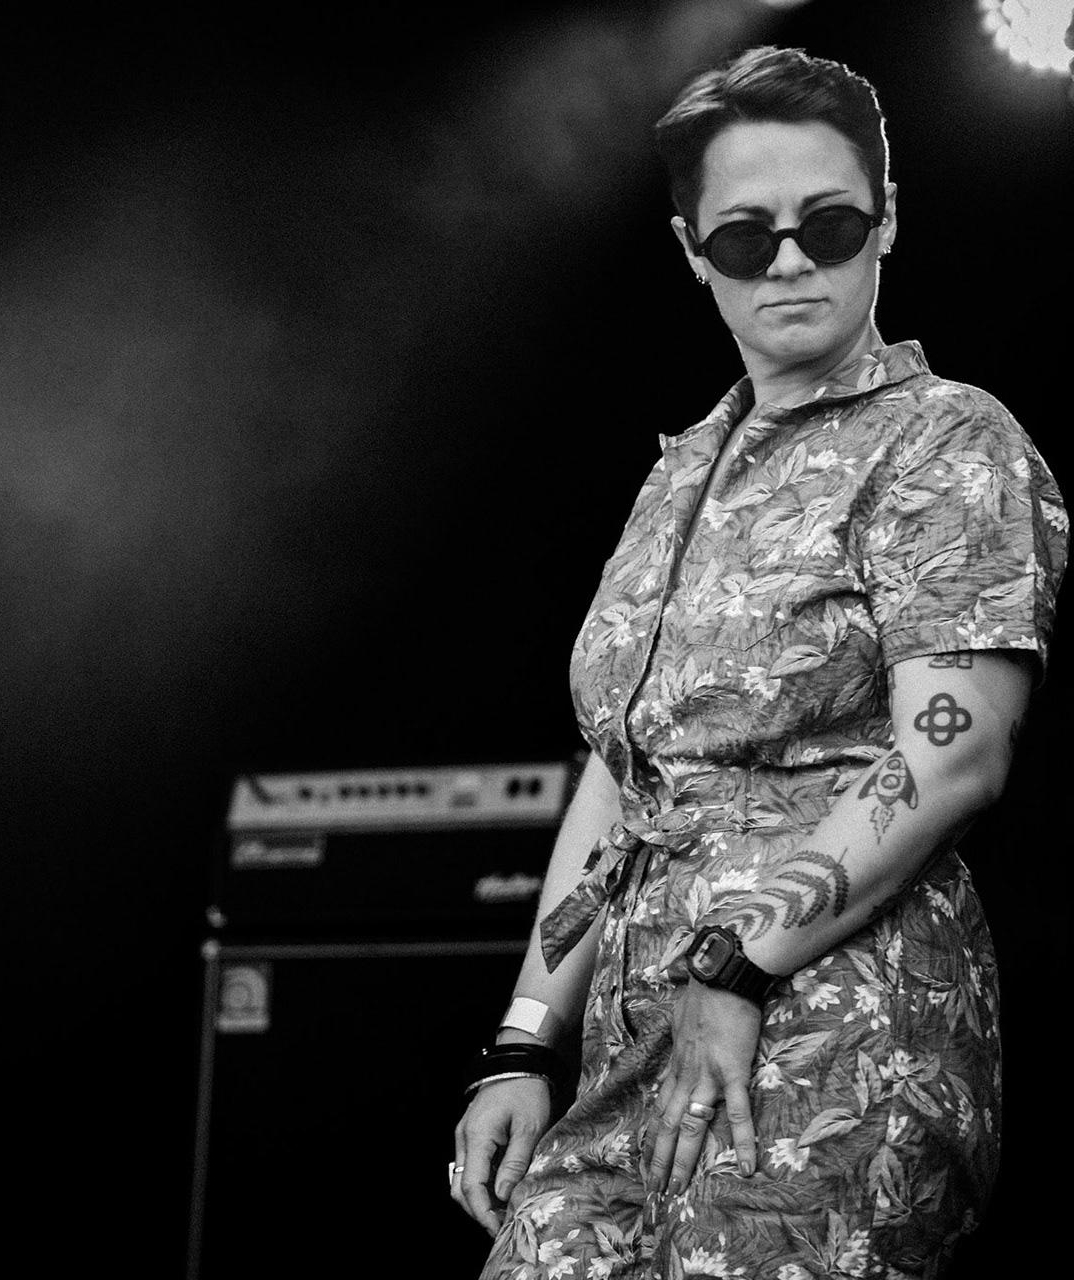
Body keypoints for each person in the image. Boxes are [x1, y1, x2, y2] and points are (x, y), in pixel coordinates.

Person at [448, 46, 1065, 1278]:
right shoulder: (680, 470)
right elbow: (622, 774)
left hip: (835, 1021)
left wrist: (740, 961)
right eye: (745, 236)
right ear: (692, 250)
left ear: (886, 224)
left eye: (828, 223)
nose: (789, 259)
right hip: (638, 1037)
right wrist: (524, 1038)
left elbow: (951, 751)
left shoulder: (944, 436)